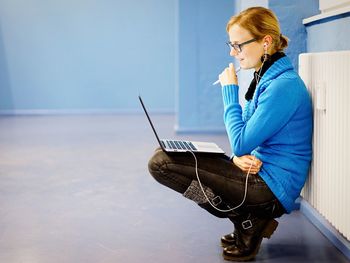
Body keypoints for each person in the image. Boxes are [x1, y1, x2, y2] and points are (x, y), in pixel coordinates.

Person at [147, 6, 312, 262]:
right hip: (259, 171)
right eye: (231, 45)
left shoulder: (282, 86)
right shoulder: (266, 78)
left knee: (162, 164)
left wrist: (229, 93)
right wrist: (236, 158)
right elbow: (245, 140)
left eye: (238, 45)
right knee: (163, 153)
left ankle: (246, 217)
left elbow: (240, 141)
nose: (233, 53)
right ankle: (246, 217)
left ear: (266, 42)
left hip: (270, 188)